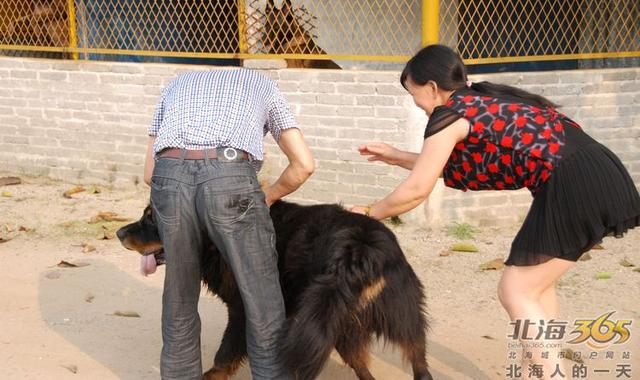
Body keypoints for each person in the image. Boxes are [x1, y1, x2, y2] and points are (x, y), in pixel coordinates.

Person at [351, 44, 639, 377]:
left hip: (570, 182)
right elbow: (444, 167)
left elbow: (417, 189)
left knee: (515, 290)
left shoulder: (449, 115)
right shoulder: (481, 101)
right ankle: (542, 370)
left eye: (414, 94)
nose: (418, 105)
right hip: (595, 169)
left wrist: (368, 212)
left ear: (431, 87)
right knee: (537, 288)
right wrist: (397, 155)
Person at [143, 68, 314, 380]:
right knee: (262, 299)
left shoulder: (178, 83)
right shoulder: (262, 83)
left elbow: (148, 174)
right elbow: (304, 165)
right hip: (230, 173)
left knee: (179, 296)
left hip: (168, 176)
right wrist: (269, 195)